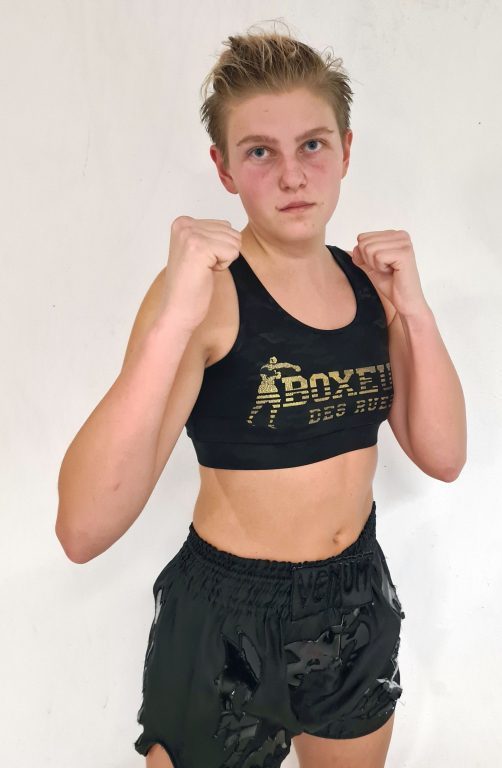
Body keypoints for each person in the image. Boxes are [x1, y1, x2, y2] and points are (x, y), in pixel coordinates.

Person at [56, 23, 467, 768]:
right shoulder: (207, 295)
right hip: (228, 617)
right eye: (259, 152)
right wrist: (173, 320)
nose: (292, 176)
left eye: (312, 145)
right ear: (223, 168)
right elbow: (82, 530)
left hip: (354, 598)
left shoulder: (371, 287)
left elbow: (443, 456)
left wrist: (414, 310)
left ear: (347, 149)